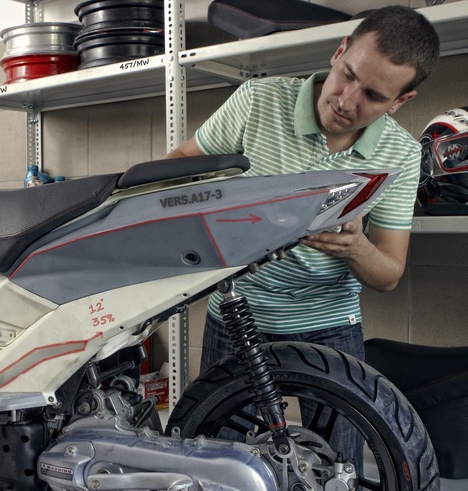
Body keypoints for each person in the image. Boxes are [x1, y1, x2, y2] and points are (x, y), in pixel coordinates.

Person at [166, 5, 440, 466]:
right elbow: (177, 165)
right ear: (339, 51)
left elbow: (388, 274)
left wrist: (356, 247)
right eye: (348, 75)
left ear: (400, 101)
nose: (346, 101)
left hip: (331, 324)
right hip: (236, 311)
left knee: (340, 468)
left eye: (373, 95)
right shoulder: (257, 100)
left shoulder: (401, 154)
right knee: (216, 461)